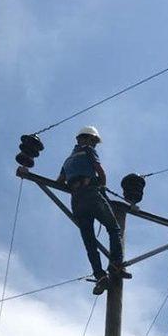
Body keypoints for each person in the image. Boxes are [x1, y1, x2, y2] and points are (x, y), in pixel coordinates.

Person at [57, 126, 129, 295]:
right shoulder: (88, 151)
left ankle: (100, 276)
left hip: (77, 201)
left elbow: (59, 182)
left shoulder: (67, 160)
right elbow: (100, 171)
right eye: (94, 142)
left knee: (89, 242)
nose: (95, 145)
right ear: (86, 139)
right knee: (114, 228)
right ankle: (115, 264)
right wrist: (102, 186)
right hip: (91, 195)